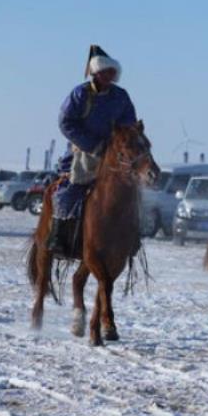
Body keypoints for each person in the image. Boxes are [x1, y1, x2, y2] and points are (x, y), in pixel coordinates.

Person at [47, 45, 137, 259]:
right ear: (96, 73)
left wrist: (119, 144)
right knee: (68, 192)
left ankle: (132, 239)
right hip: (82, 153)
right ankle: (58, 238)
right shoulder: (80, 94)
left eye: (112, 73)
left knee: (131, 194)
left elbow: (129, 124)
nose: (110, 77)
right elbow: (66, 123)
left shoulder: (121, 96)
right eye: (106, 73)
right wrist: (92, 144)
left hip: (114, 155)